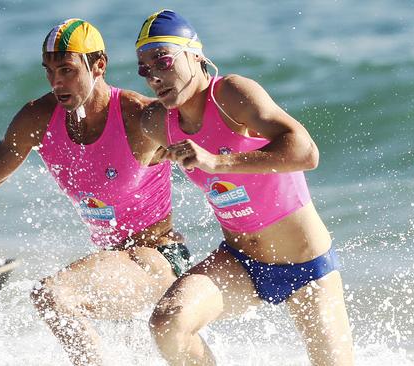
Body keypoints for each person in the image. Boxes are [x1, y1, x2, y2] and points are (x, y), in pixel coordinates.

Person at [0, 18, 192, 366]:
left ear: (99, 65)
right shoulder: (38, 118)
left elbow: (213, 151)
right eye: (49, 71)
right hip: (112, 265)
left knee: (52, 294)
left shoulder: (139, 117)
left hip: (157, 259)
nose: (56, 82)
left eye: (67, 70)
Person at [135, 9, 354, 366]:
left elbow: (306, 152)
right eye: (145, 69)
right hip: (241, 263)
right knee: (168, 323)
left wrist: (217, 162)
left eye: (162, 60)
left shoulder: (231, 94)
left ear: (195, 54)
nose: (155, 76)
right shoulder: (158, 123)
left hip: (306, 265)